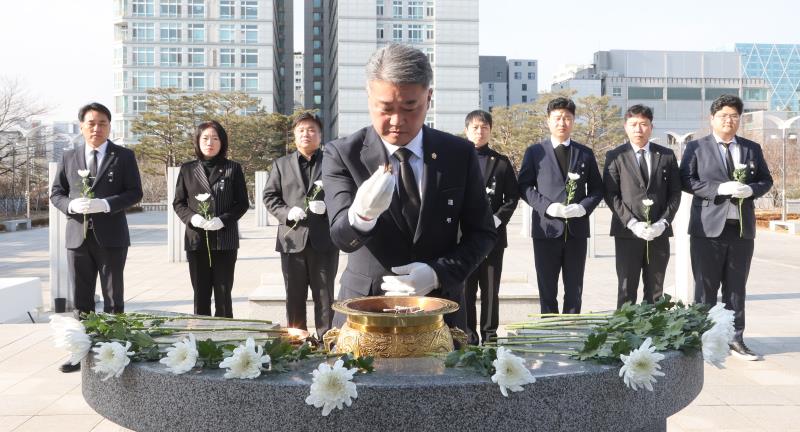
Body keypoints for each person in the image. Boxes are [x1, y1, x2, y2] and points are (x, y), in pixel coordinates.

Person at [321, 44, 496, 331]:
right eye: (386, 109)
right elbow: (341, 237)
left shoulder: (458, 153)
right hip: (366, 311)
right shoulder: (343, 154)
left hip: (440, 311)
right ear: (369, 97)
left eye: (410, 107)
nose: (397, 121)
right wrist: (361, 216)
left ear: (428, 97)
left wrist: (438, 273)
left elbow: (483, 232)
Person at [50, 102, 143, 372]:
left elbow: (135, 192)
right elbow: (57, 193)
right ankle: (82, 350)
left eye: (102, 123)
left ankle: (116, 350)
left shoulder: (123, 156)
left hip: (112, 236)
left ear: (109, 126)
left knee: (114, 297)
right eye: (91, 123)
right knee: (81, 298)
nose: (96, 128)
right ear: (81, 126)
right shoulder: (69, 156)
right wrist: (69, 205)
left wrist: (106, 204)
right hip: (77, 238)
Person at [680, 94, 773, 361]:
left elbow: (766, 180)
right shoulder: (696, 147)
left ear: (739, 120)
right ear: (712, 119)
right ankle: (702, 338)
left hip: (741, 229)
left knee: (736, 287)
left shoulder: (751, 148)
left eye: (734, 116)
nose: (729, 121)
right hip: (707, 229)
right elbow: (686, 180)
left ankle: (735, 338)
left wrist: (750, 189)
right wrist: (718, 189)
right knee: (705, 286)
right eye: (723, 116)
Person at [517, 97, 603, 314]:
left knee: (575, 288)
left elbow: (597, 189)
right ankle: (550, 332)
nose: (562, 123)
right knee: (547, 288)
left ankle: (572, 332)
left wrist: (583, 207)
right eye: (557, 118)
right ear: (548, 121)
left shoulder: (585, 153)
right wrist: (547, 207)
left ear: (573, 121)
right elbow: (524, 187)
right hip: (546, 229)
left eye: (567, 118)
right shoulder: (535, 152)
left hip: (576, 231)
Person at [263, 113, 339, 339]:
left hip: (323, 240)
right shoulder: (281, 164)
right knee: (294, 295)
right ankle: (298, 339)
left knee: (325, 296)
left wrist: (327, 208)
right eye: (301, 130)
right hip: (292, 240)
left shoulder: (332, 163)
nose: (307, 134)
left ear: (320, 135)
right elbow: (270, 197)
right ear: (294, 135)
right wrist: (287, 213)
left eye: (312, 130)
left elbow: (344, 195)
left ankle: (327, 340)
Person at [603, 105, 681, 308]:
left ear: (651, 127)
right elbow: (611, 194)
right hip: (627, 233)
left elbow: (675, 193)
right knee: (627, 288)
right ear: (625, 127)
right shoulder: (615, 156)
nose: (639, 129)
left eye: (644, 124)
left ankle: (653, 334)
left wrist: (663, 222)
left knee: (655, 289)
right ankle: (625, 334)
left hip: (658, 233)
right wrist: (632, 223)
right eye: (634, 124)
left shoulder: (666, 155)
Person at [172, 121, 249, 318]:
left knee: (224, 294)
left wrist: (223, 220)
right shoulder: (188, 169)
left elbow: (242, 203)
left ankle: (225, 338)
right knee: (201, 294)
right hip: (197, 240)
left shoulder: (233, 168)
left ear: (222, 142)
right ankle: (201, 337)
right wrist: (193, 218)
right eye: (205, 138)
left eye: (215, 138)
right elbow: (179, 203)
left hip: (225, 240)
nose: (210, 142)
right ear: (197, 141)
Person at [463, 110, 519, 345]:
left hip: (493, 237)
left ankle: (489, 335)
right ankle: (467, 334)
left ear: (490, 130)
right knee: (466, 289)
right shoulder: (457, 159)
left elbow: (512, 197)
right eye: (475, 127)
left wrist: (496, 219)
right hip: (463, 237)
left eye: (484, 127)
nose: (480, 131)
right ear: (467, 130)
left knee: (490, 289)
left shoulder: (502, 162)